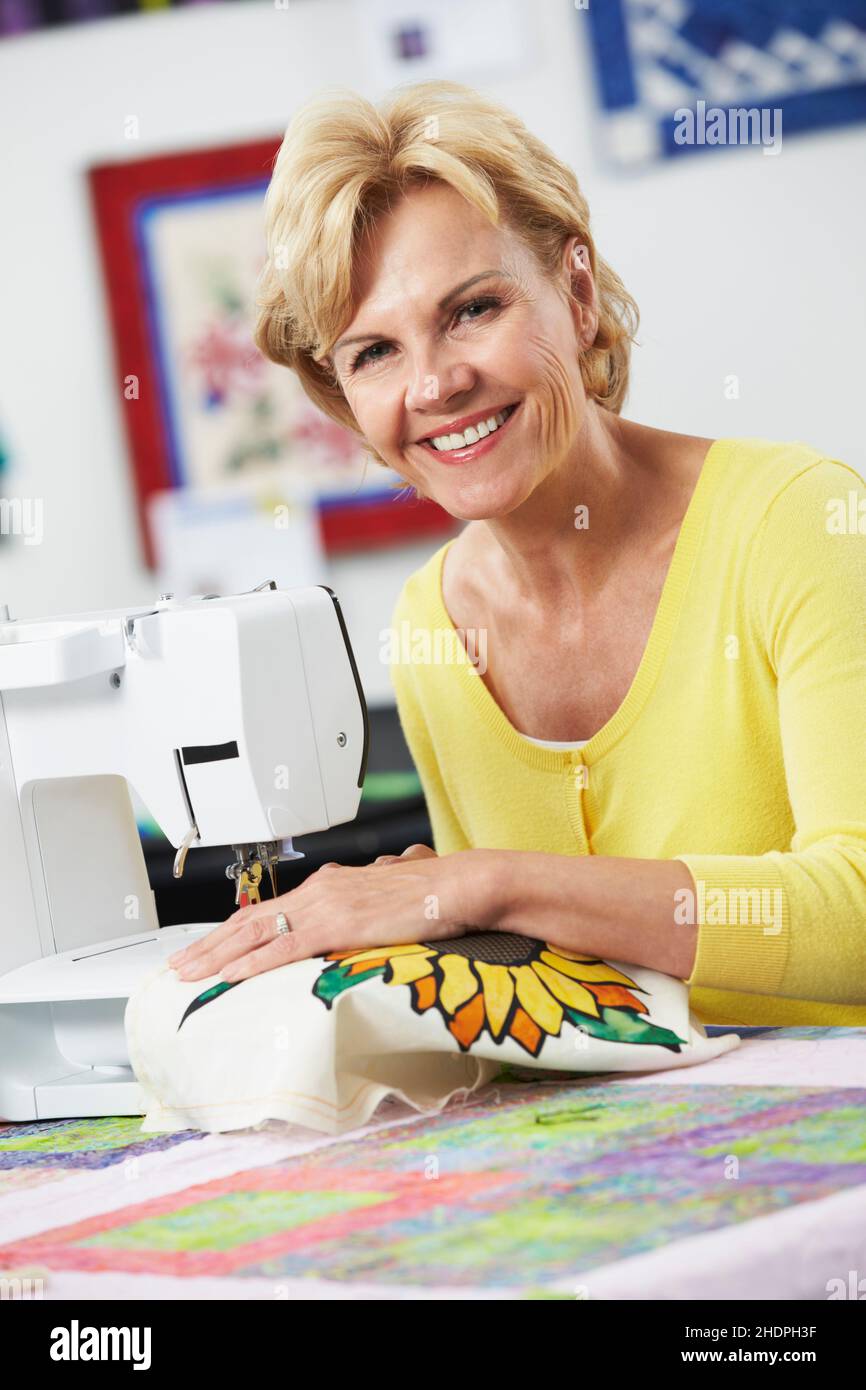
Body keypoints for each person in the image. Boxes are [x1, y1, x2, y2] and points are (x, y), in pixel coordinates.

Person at [169, 80, 866, 1026]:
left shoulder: (801, 522)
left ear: (576, 292)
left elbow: (857, 915)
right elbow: (536, 995)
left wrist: (478, 886)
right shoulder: (434, 626)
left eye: (473, 310)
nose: (436, 383)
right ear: (347, 406)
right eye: (373, 353)